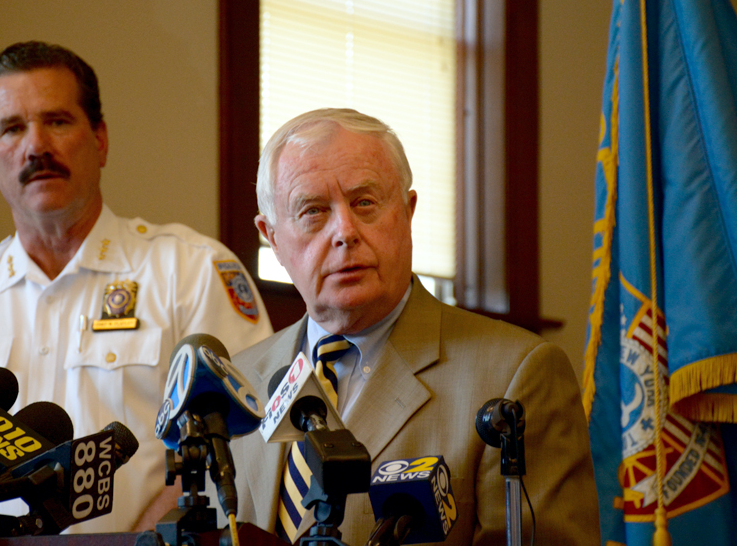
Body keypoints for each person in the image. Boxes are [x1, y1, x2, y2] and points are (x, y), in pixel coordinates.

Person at [0, 41, 273, 534]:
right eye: (12, 128)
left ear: (99, 140)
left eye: (57, 121)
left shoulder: (191, 269)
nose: (36, 146)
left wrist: (137, 545)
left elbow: (246, 437)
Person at [230, 108, 600, 545]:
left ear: (407, 212)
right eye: (313, 211)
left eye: (364, 203)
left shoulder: (517, 376)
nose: (345, 231)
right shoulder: (239, 383)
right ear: (271, 237)